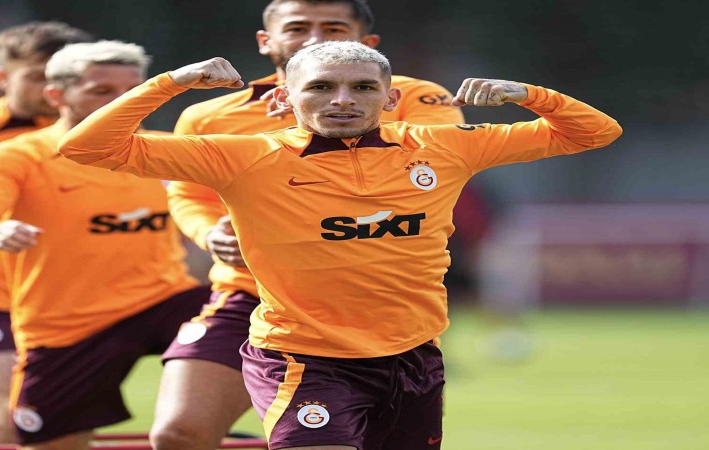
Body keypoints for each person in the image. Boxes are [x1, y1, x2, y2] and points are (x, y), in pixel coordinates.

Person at [58, 42, 622, 449]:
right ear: (286, 97)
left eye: (362, 87)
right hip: (302, 357)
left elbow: (596, 131)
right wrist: (171, 83)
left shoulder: (445, 145)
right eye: (321, 87)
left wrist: (528, 95)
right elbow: (87, 147)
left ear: (390, 97)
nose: (342, 100)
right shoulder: (242, 155)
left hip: (412, 355)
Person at [151, 1, 465, 449]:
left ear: (368, 43)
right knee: (179, 433)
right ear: (266, 41)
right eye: (298, 27)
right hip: (251, 293)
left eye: (334, 28)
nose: (315, 38)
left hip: (370, 305)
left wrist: (312, 119)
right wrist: (209, 233)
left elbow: (435, 166)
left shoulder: (413, 98)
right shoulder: (209, 115)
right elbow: (188, 194)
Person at [0, 40, 208, 450]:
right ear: (56, 95)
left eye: (133, 91)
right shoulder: (15, 156)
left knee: (248, 314)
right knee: (23, 434)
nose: (121, 102)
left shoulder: (170, 150)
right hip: (65, 324)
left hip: (161, 300)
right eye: (102, 91)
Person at [0, 21, 92, 446]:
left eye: (64, 76)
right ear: (1, 77)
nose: (52, 87)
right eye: (36, 76)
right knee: (11, 419)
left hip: (65, 309)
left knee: (49, 432)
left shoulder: (98, 138)